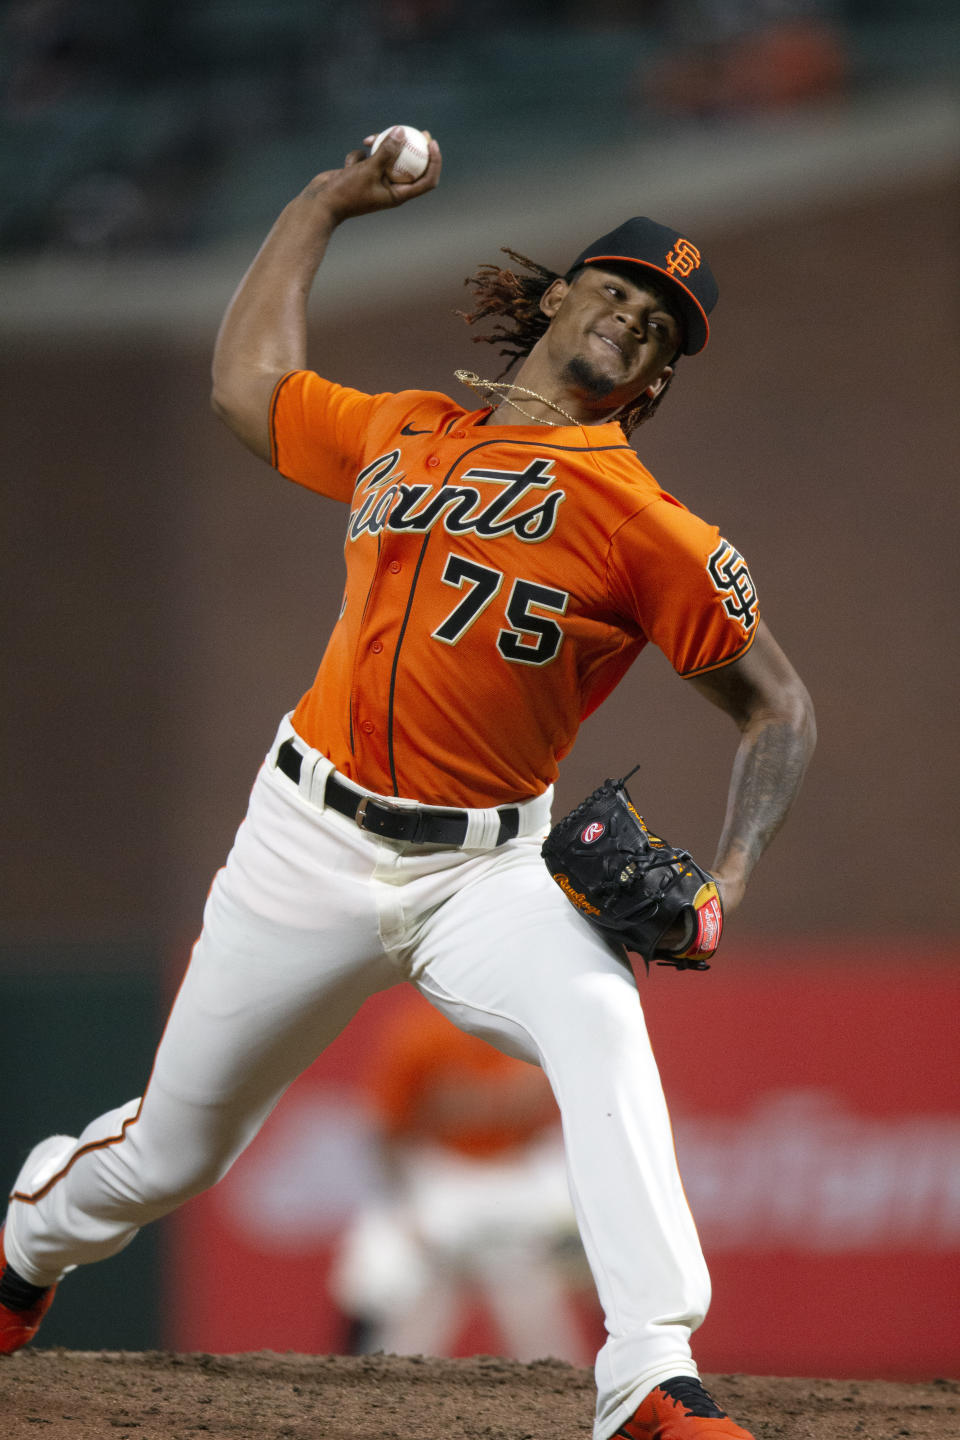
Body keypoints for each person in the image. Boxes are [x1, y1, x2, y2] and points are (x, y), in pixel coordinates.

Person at [0, 129, 816, 1440]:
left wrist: (725, 886)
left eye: (662, 324)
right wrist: (325, 202)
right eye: (617, 286)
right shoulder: (406, 430)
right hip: (303, 839)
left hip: (486, 870)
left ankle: (649, 1372)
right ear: (556, 295)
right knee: (170, 1155)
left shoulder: (652, 528)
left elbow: (779, 706)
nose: (634, 316)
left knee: (603, 1026)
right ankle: (22, 1253)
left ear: (657, 379)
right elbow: (247, 383)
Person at [329, 991, 596, 1364]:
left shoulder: (542, 1027)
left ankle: (599, 1391)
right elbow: (386, 1133)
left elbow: (575, 1130)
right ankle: (367, 1391)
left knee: (541, 1321)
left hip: (517, 1179)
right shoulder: (423, 1030)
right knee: (385, 1273)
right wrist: (403, 1206)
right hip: (441, 1175)